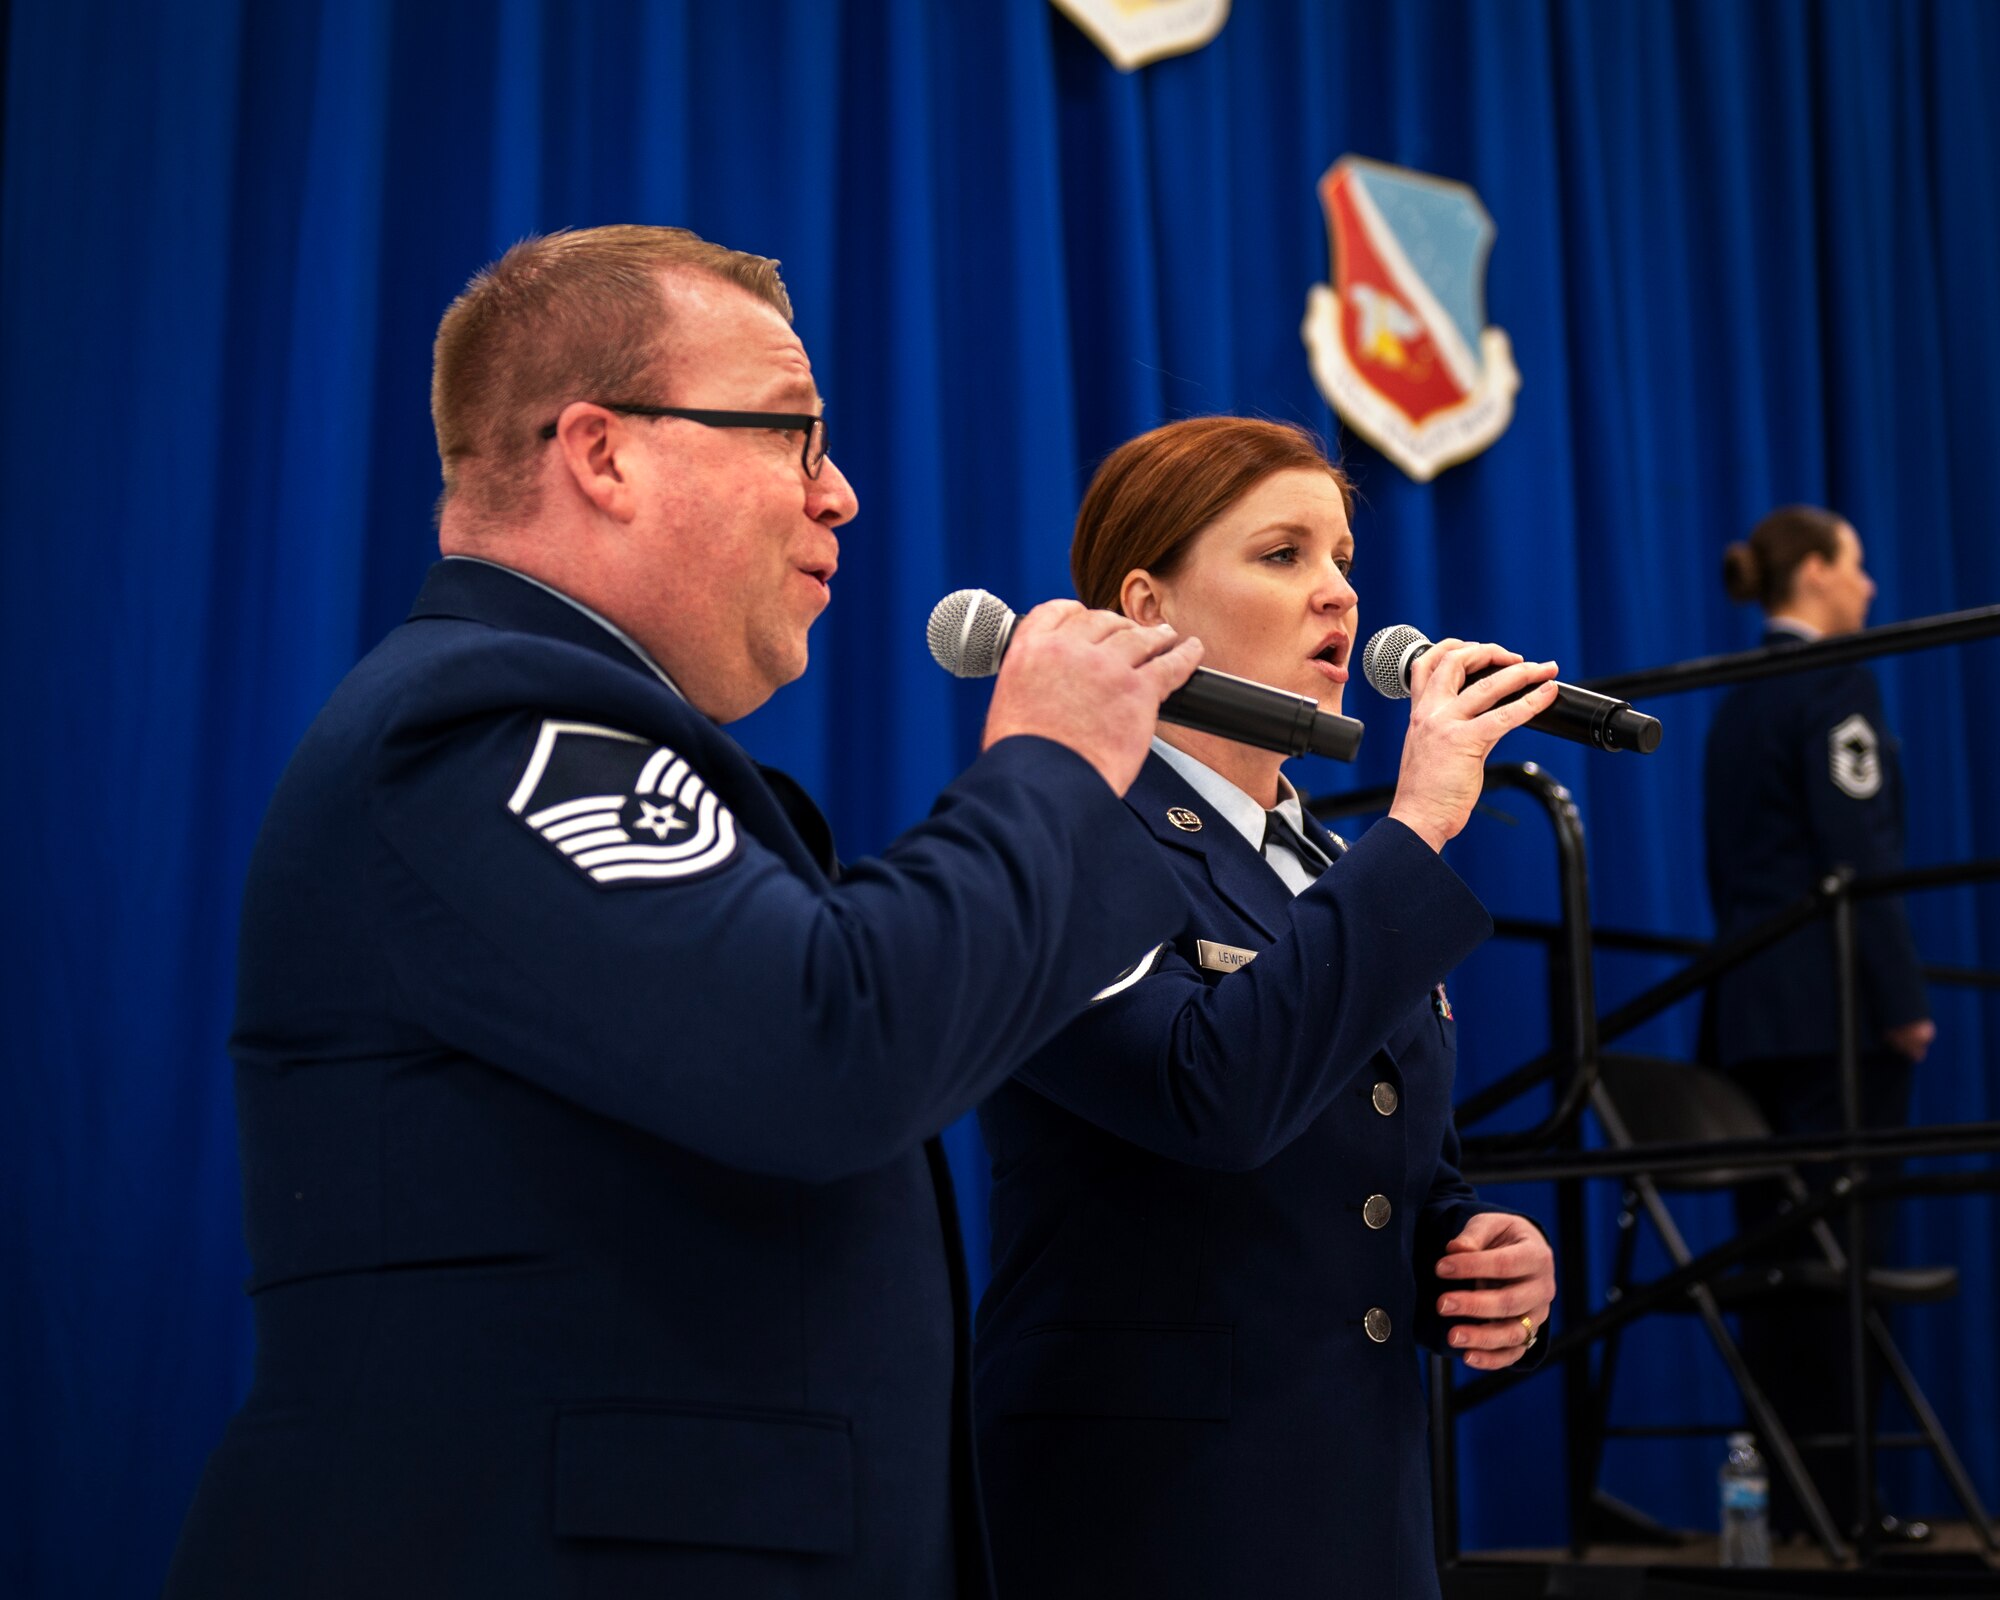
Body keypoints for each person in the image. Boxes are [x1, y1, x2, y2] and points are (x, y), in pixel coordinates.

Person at [163, 225, 1208, 1600]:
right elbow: (832, 1049)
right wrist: (1053, 765)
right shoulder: (484, 718)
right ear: (603, 454)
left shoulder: (542, 719)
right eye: (791, 435)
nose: (840, 495)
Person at [972, 416, 1559, 1600]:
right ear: (1145, 606)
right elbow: (1214, 1097)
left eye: (1342, 557)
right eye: (1282, 555)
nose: (1337, 596)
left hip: (1360, 1500)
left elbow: (1389, 1165)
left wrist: (1472, 1248)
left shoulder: (1334, 864)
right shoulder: (1067, 829)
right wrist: (1420, 824)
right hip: (1154, 1514)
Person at [1704, 504, 1931, 1540]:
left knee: (1778, 1264)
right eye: (1856, 561)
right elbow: (1856, 856)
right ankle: (1849, 1507)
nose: (1869, 585)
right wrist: (1901, 999)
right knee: (1843, 1260)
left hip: (1746, 1010)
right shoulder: (1837, 679)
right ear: (1812, 575)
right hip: (1831, 1010)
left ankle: (1793, 1504)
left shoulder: (1735, 694)